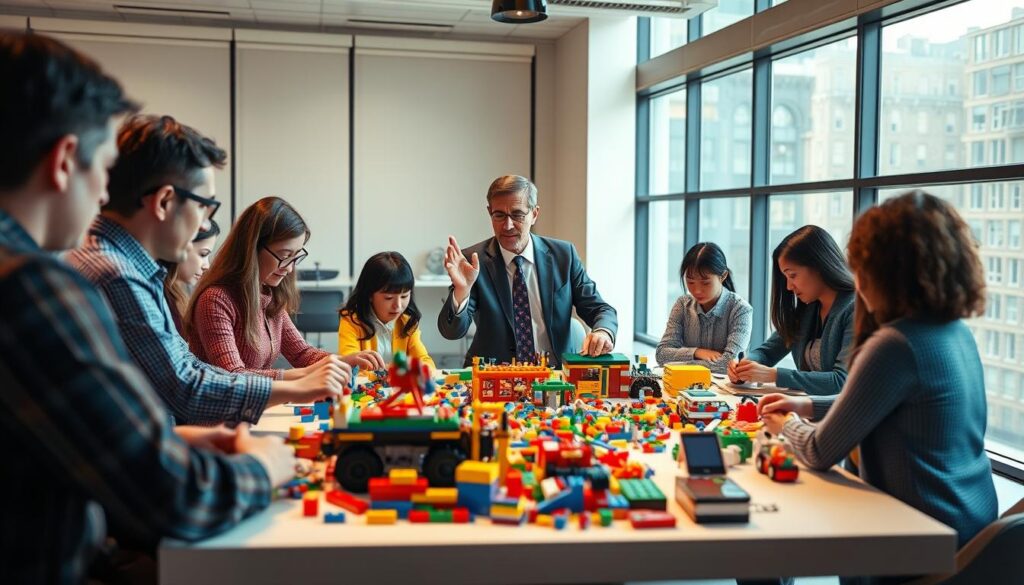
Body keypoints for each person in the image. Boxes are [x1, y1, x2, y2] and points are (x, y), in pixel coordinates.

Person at [0, 31, 294, 583]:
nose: (102, 197)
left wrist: (171, 440)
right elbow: (173, 496)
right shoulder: (35, 286)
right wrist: (266, 465)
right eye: (102, 169)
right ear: (66, 161)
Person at [759, 191, 998, 585]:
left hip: (912, 542)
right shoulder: (956, 334)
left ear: (881, 270)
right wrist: (807, 407)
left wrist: (783, 422)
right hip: (974, 534)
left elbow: (818, 451)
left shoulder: (894, 344)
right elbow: (881, 403)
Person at [66, 115, 348, 426]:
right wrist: (295, 384)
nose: (203, 225)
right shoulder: (116, 274)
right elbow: (185, 388)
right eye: (204, 207)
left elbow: (186, 366)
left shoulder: (130, 268)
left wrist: (304, 378)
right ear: (164, 201)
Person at [187, 196, 384, 378]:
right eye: (284, 255)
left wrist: (344, 361)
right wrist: (299, 377)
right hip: (221, 415)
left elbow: (302, 354)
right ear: (252, 249)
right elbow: (233, 376)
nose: (289, 268)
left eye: (295, 256)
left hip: (254, 410)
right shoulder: (215, 300)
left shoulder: (269, 294)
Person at [438, 175, 618, 368]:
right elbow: (452, 332)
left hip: (554, 375)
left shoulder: (563, 256)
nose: (507, 226)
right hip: (493, 377)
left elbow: (600, 309)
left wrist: (602, 332)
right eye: (499, 215)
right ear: (489, 212)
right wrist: (461, 292)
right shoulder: (473, 261)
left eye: (517, 215)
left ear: (534, 214)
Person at [729, 225, 854, 395]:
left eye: (792, 275)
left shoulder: (855, 310)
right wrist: (746, 366)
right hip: (808, 409)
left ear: (819, 266)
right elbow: (768, 352)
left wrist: (774, 375)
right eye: (786, 277)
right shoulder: (808, 309)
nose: (788, 286)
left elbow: (841, 381)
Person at [656, 242, 752, 373]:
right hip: (684, 386)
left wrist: (679, 360)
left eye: (705, 283)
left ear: (723, 276)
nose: (697, 290)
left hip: (724, 390)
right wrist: (697, 352)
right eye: (690, 282)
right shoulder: (683, 304)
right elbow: (662, 355)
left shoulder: (740, 310)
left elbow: (728, 364)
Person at [338, 251, 434, 370]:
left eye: (404, 296)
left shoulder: (407, 321)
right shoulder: (351, 320)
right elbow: (350, 366)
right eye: (389, 298)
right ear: (369, 294)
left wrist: (414, 369)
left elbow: (426, 362)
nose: (398, 306)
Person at [163, 217, 219, 334]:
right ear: (182, 246)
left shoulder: (186, 292)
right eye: (203, 254)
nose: (207, 266)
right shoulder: (158, 294)